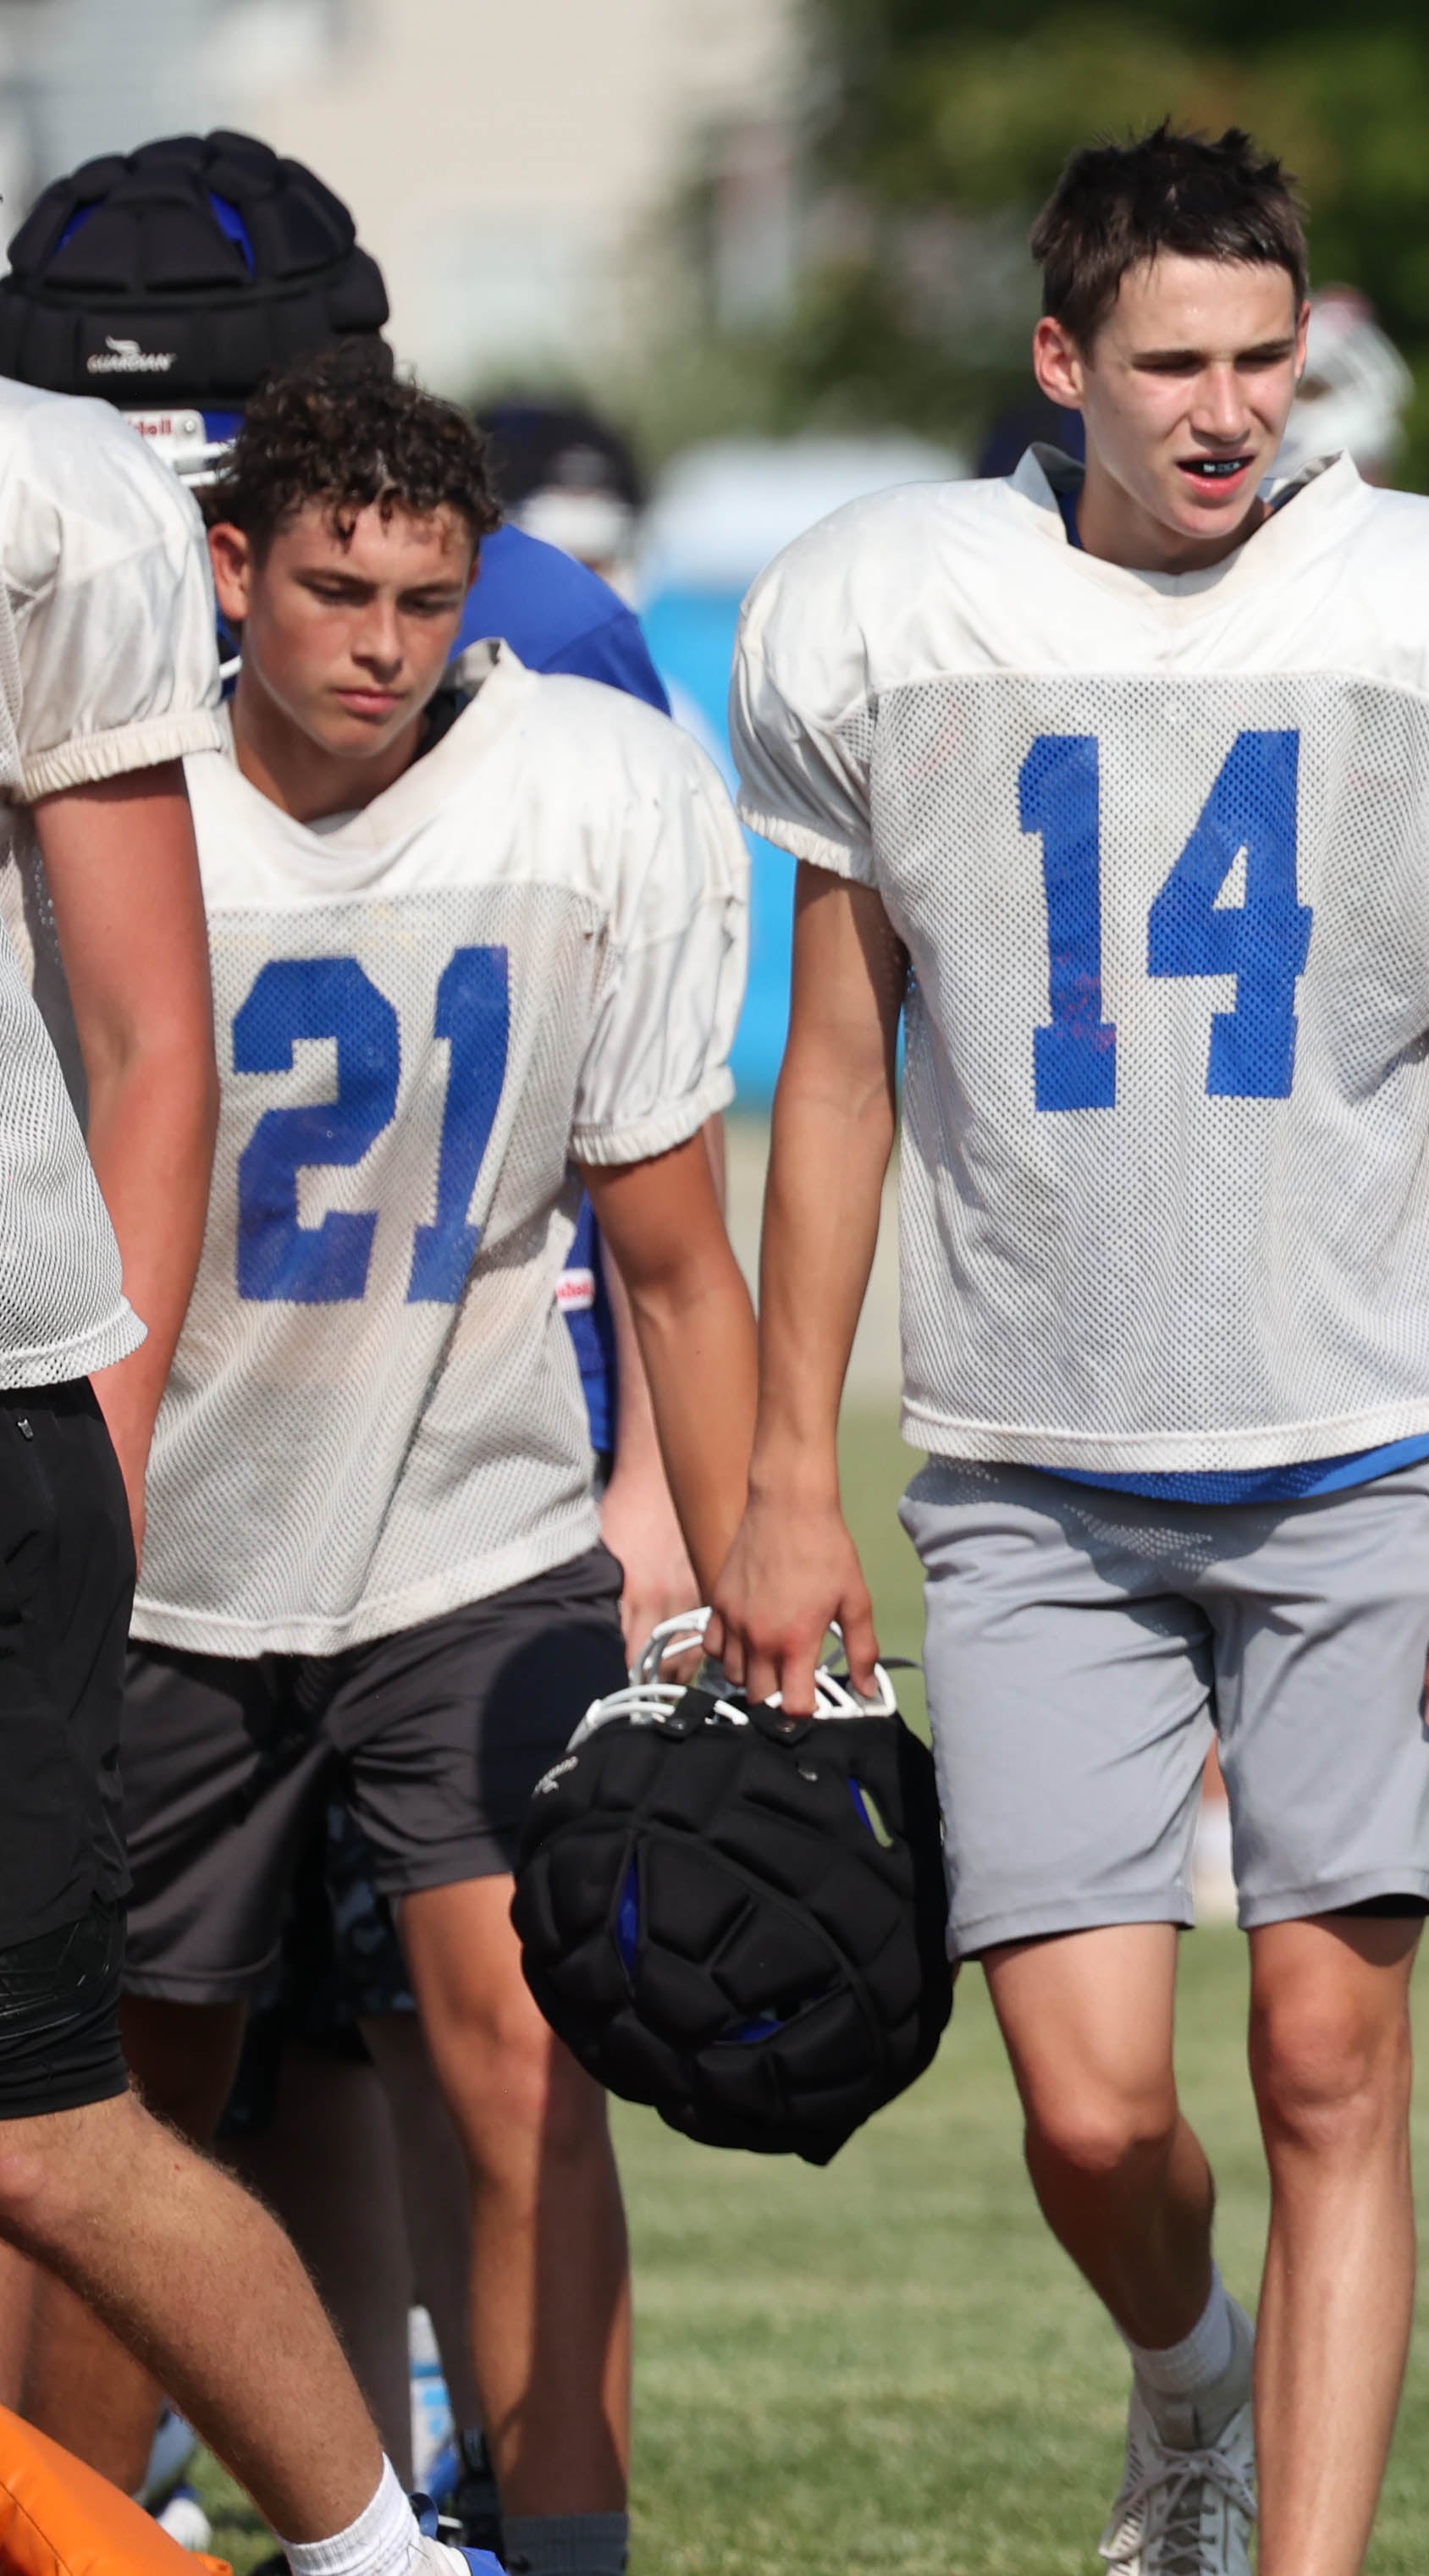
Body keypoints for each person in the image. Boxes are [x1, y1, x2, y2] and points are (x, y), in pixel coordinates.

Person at [709, 124, 1429, 2576]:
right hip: (1025, 1453)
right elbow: (841, 1071)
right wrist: (793, 1469)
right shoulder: (895, 605)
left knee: (1333, 2057)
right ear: (1057, 361)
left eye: (1262, 359)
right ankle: (1190, 2372)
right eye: (1174, 363)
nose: (1227, 411)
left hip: (1360, 1441)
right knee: (1091, 2114)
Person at [59, 347, 752, 2576]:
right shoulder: (106, 777)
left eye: (429, 599)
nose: (381, 644)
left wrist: (750, 1556)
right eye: (338, 587)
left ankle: (560, 2544)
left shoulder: (594, 793)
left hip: (472, 1529)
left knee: (521, 2046)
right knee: (109, 2103)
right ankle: (74, 2528)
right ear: (230, 567)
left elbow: (671, 1250)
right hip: (157, 1553)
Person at [0, 323, 494, 2576]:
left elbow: (142, 1032)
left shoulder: (43, 495)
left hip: (16, 1396)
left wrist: (89, 1436)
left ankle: (381, 2551)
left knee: (53, 2122)